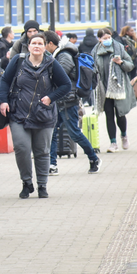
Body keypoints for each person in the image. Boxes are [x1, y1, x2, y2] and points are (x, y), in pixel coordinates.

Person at [0, 33, 71, 199]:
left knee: (42, 151)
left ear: (45, 47)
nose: (37, 46)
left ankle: (42, 185)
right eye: (34, 43)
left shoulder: (52, 64)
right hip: (18, 113)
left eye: (40, 43)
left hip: (44, 115)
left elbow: (66, 85)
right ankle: (27, 183)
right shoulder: (18, 61)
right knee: (21, 148)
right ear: (29, 46)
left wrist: (51, 97)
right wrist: (3, 101)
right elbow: (4, 81)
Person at [44, 31, 101, 175]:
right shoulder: (58, 54)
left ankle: (94, 158)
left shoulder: (64, 56)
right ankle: (52, 164)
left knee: (74, 133)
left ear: (51, 44)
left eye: (44, 44)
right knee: (51, 132)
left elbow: (58, 76)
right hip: (58, 100)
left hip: (68, 100)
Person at [92, 28, 136, 153]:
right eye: (104, 38)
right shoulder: (95, 52)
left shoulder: (119, 48)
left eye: (109, 37)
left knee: (120, 114)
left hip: (118, 87)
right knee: (109, 115)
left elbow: (130, 65)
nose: (107, 40)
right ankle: (113, 142)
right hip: (103, 88)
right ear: (99, 39)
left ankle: (124, 135)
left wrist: (121, 62)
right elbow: (92, 68)